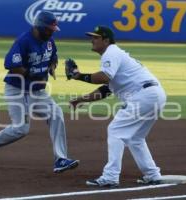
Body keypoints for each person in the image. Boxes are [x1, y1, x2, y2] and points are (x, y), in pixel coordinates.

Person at [0, 11, 79, 173]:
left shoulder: (49, 40)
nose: (52, 32)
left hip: (37, 91)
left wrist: (52, 67)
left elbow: (53, 57)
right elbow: (11, 65)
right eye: (49, 29)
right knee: (21, 129)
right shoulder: (24, 41)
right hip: (18, 90)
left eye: (53, 29)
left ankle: (61, 159)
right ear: (39, 27)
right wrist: (30, 74)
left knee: (56, 114)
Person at [65, 25, 166, 187]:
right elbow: (106, 90)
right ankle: (152, 174)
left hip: (143, 96)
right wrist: (82, 99)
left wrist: (78, 76)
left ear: (106, 40)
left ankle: (110, 177)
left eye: (96, 37)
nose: (92, 40)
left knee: (116, 130)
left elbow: (104, 77)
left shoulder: (111, 52)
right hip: (154, 94)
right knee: (135, 138)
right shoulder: (114, 54)